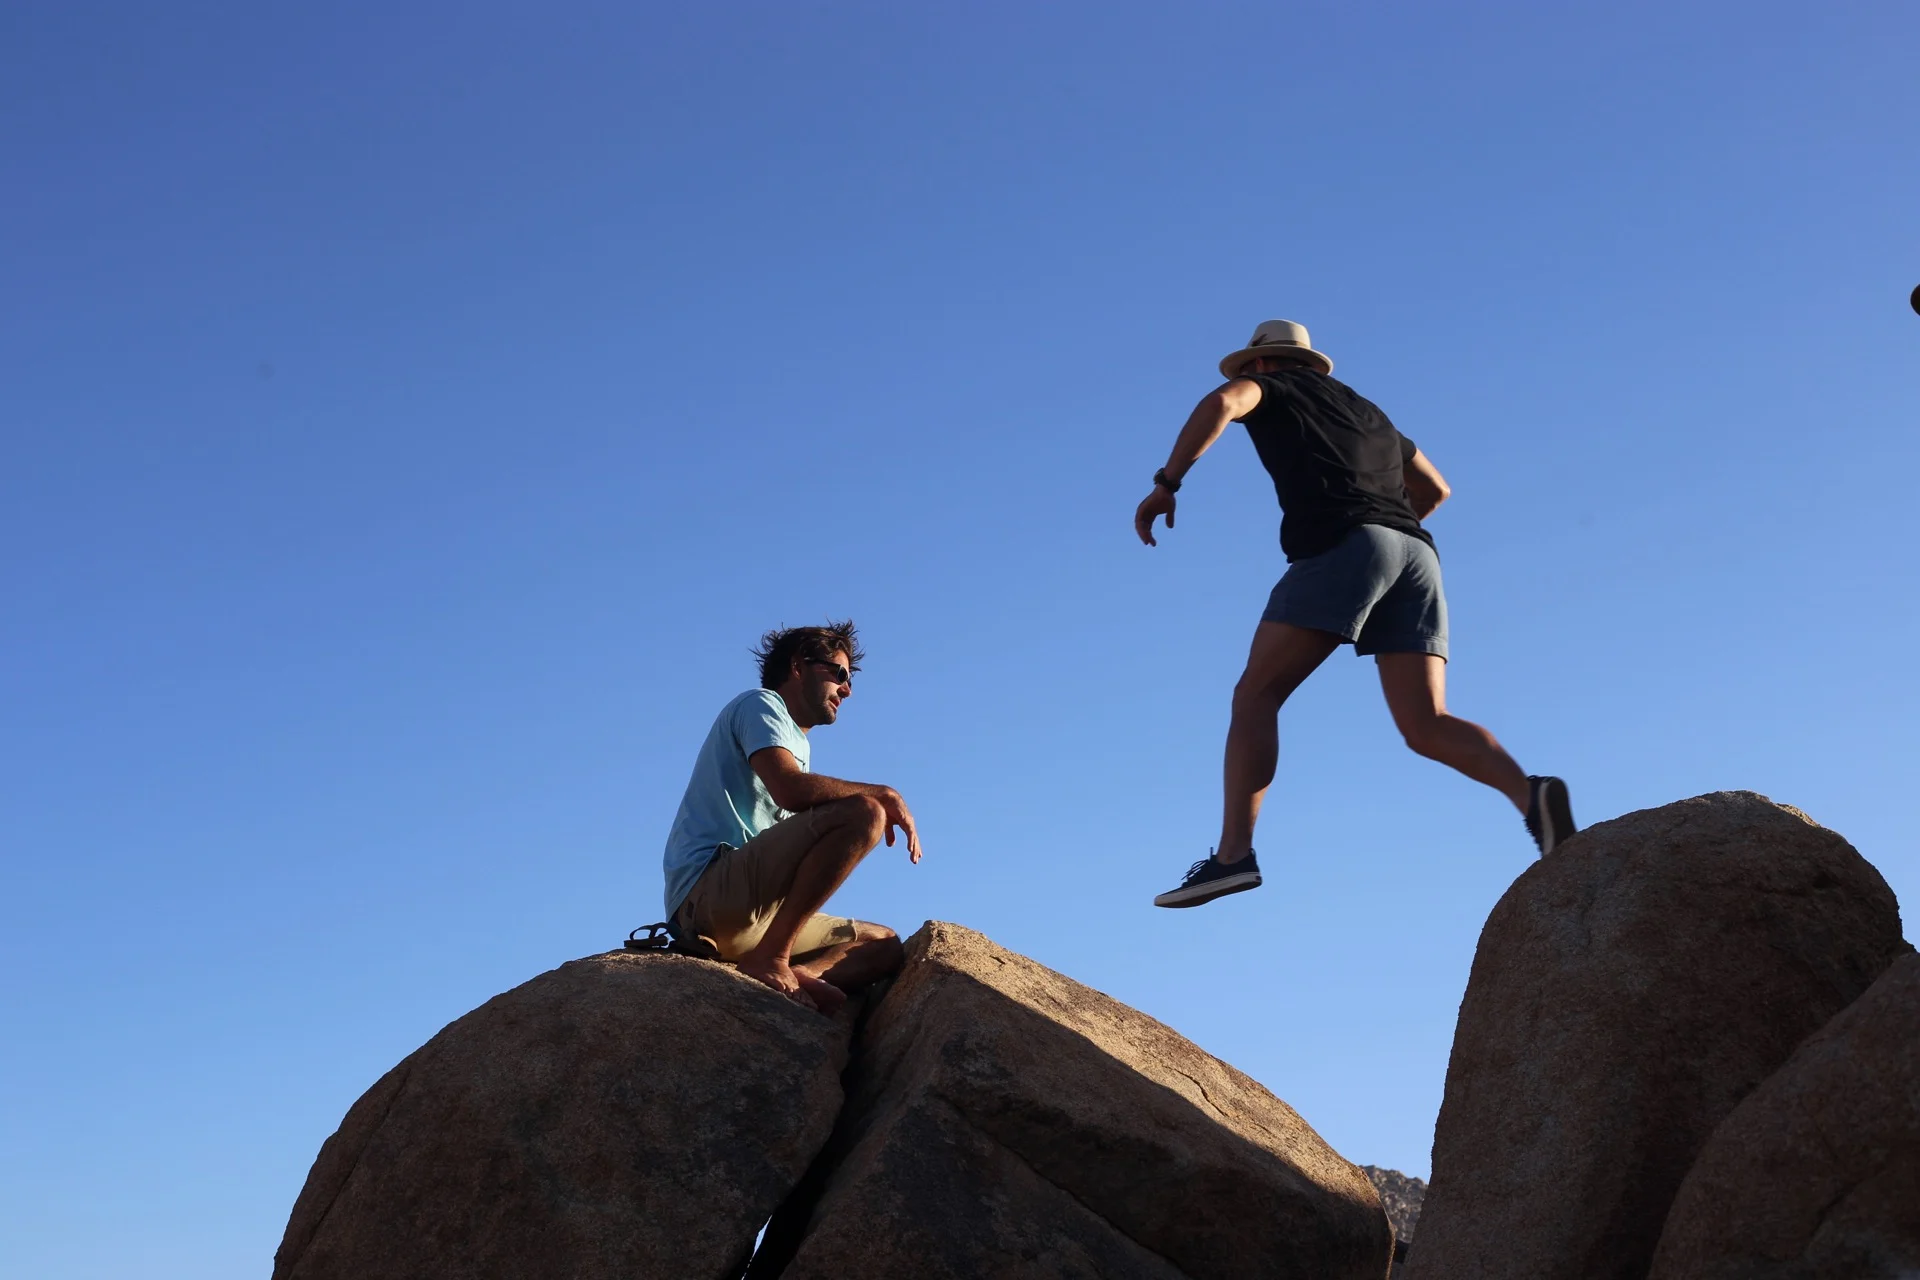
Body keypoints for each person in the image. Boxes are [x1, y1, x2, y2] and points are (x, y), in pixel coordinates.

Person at [1134, 320, 1575, 908]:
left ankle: (1233, 856)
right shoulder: (1371, 414)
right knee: (1426, 723)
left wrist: (1168, 482)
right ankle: (1529, 794)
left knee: (1256, 694)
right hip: (1417, 554)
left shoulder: (1272, 388)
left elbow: (1222, 403)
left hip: (1348, 542)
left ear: (1261, 363)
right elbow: (1436, 490)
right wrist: (1385, 531)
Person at [661, 621, 920, 1010]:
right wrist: (885, 793)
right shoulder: (760, 704)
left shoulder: (798, 742)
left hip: (757, 916)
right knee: (865, 813)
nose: (846, 690)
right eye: (839, 674)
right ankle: (773, 956)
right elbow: (790, 789)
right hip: (709, 900)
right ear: (798, 667)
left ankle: (795, 974)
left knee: (883, 945)